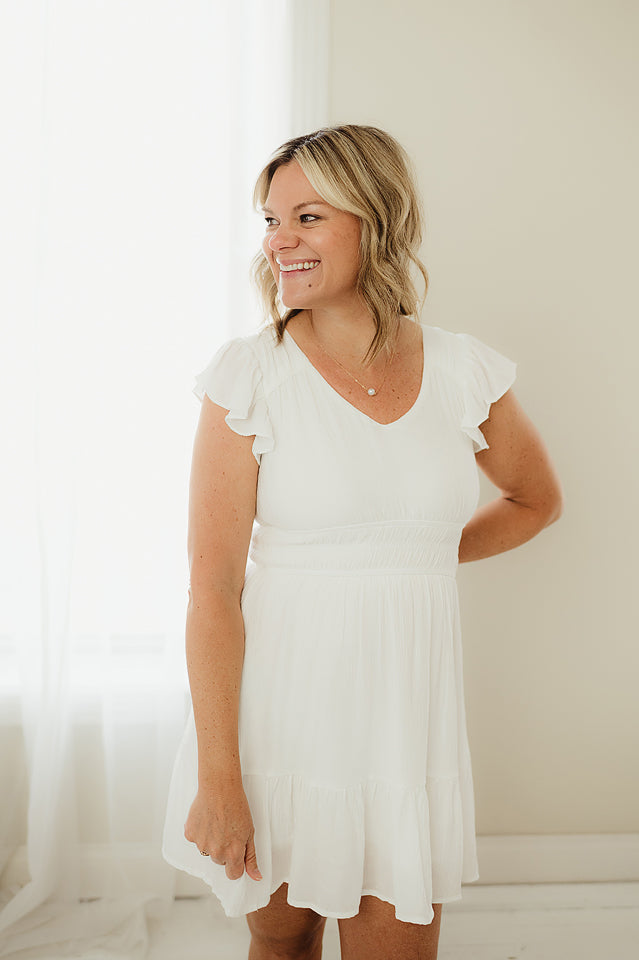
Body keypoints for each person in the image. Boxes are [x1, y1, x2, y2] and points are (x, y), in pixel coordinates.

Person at [162, 124, 563, 960]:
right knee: (282, 945)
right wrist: (219, 779)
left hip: (403, 742)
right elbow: (214, 592)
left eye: (306, 217)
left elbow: (534, 501)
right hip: (279, 732)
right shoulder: (250, 375)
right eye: (270, 221)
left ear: (375, 219)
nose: (280, 241)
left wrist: (417, 555)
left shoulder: (463, 370)